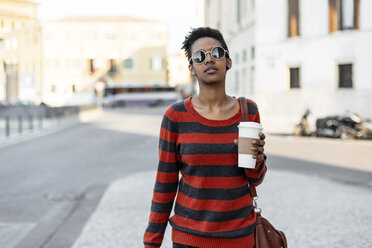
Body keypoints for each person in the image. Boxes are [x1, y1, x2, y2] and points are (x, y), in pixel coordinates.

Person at [144, 27, 267, 248]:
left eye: (217, 53)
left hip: (240, 238)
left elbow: (256, 178)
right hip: (188, 239)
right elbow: (165, 183)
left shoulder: (248, 111)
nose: (209, 60)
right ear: (192, 68)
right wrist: (152, 242)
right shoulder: (175, 116)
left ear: (228, 61)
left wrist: (257, 158)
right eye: (200, 57)